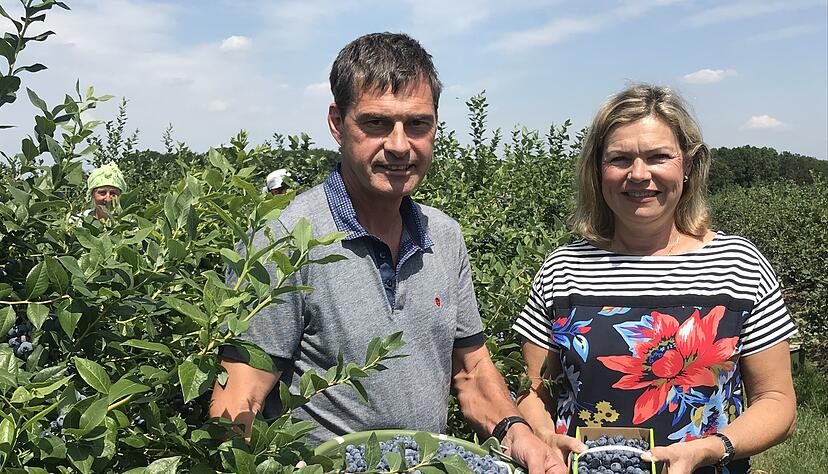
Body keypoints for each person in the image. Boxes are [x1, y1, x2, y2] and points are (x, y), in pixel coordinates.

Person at [210, 32, 568, 474]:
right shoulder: (285, 241)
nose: (400, 145)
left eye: (417, 124)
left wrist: (518, 434)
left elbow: (471, 371)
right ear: (337, 123)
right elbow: (238, 398)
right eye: (377, 123)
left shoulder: (444, 236)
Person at [512, 84, 797, 474]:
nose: (639, 174)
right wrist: (544, 436)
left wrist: (711, 449)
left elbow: (778, 402)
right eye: (620, 158)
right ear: (598, 171)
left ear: (689, 165)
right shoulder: (564, 269)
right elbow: (534, 392)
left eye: (658, 157)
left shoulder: (738, 265)